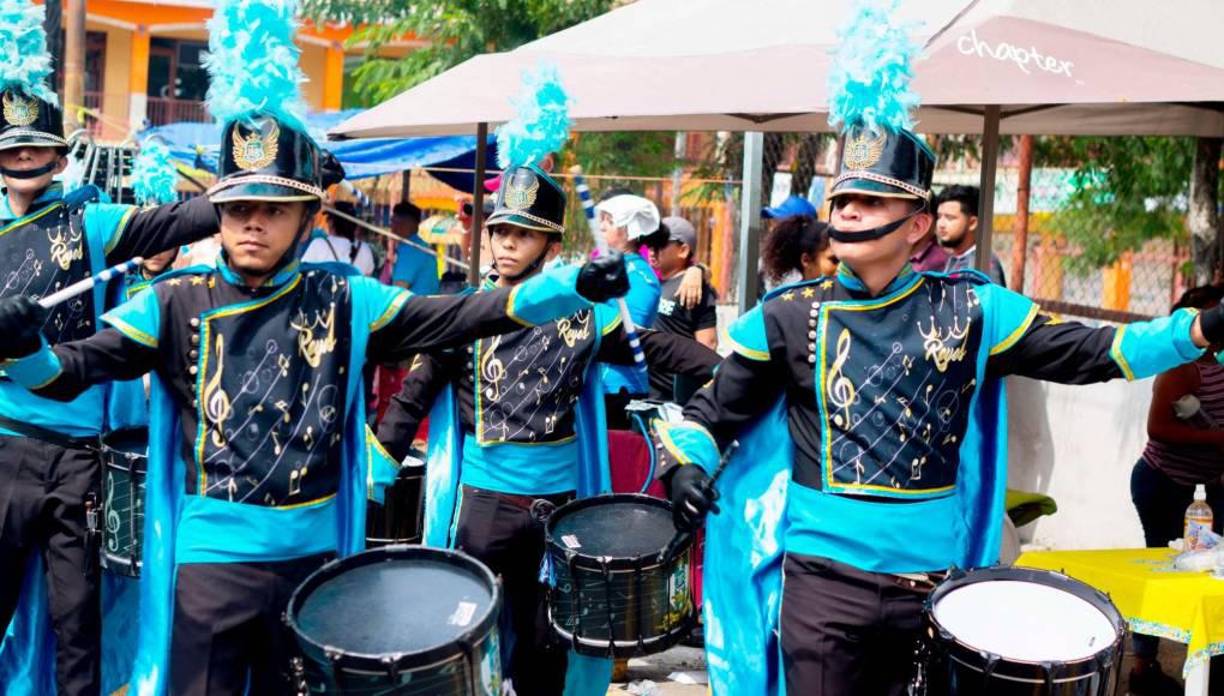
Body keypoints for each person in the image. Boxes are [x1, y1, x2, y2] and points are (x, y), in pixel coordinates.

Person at [0, 5, 630, 692]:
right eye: (239, 208)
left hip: (316, 571)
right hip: (208, 570)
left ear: (309, 217)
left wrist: (570, 287)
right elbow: (69, 372)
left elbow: (459, 316)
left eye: (274, 209)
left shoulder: (349, 301)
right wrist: (24, 345)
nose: (252, 224)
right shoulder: (172, 302)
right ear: (219, 212)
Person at [647, 19, 1221, 692]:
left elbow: (1099, 351)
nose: (850, 212)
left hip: (936, 589)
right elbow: (711, 417)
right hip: (822, 585)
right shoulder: (785, 315)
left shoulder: (977, 308)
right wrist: (685, 465)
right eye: (843, 199)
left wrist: (1202, 329)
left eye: (870, 199)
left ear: (918, 223)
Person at [377, 165, 718, 696]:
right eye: (501, 231)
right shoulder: (465, 312)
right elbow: (410, 397)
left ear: (551, 247)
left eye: (523, 233)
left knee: (547, 647)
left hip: (560, 511)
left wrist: (731, 372)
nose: (508, 244)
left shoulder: (585, 316)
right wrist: (373, 480)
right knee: (470, 642)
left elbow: (654, 349)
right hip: (482, 509)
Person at [0, 5, 221, 691]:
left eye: (37, 146)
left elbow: (173, 219)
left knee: (78, 623)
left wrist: (263, 187)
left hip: (78, 462)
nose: (24, 158)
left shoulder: (92, 220)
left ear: (61, 156)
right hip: (2, 448)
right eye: (11, 148)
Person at [1129, 284, 1224, 693]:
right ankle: (1143, 667)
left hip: (1204, 489)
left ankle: (1203, 665)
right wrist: (1219, 440)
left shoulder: (1216, 363)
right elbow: (1158, 428)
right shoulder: (1182, 367)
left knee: (1208, 575)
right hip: (1164, 483)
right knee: (1162, 571)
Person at [595, 194, 662, 421]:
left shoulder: (641, 276)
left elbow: (625, 334)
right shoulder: (611, 267)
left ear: (628, 230)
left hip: (620, 387)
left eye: (609, 221)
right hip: (598, 383)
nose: (601, 225)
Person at [643, 216, 719, 401]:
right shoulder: (654, 283)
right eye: (650, 245)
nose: (652, 251)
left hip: (675, 400)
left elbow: (707, 345)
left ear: (683, 250)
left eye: (659, 245)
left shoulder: (693, 287)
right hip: (649, 393)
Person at [935, 184, 1006, 285]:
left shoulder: (983, 264)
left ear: (972, 223)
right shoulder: (954, 258)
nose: (941, 224)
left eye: (949, 218)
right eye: (939, 217)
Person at [300, 200, 375, 275]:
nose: (327, 222)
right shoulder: (365, 249)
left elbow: (302, 271)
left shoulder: (319, 244)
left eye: (328, 218)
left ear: (332, 222)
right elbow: (367, 276)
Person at [760, 215, 837, 287]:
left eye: (845, 259)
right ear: (806, 260)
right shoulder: (789, 300)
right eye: (834, 261)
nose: (843, 267)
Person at [387, 201, 441, 294]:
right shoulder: (421, 246)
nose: (392, 226)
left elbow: (398, 290)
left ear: (407, 223)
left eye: (394, 221)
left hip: (417, 306)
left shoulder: (410, 249)